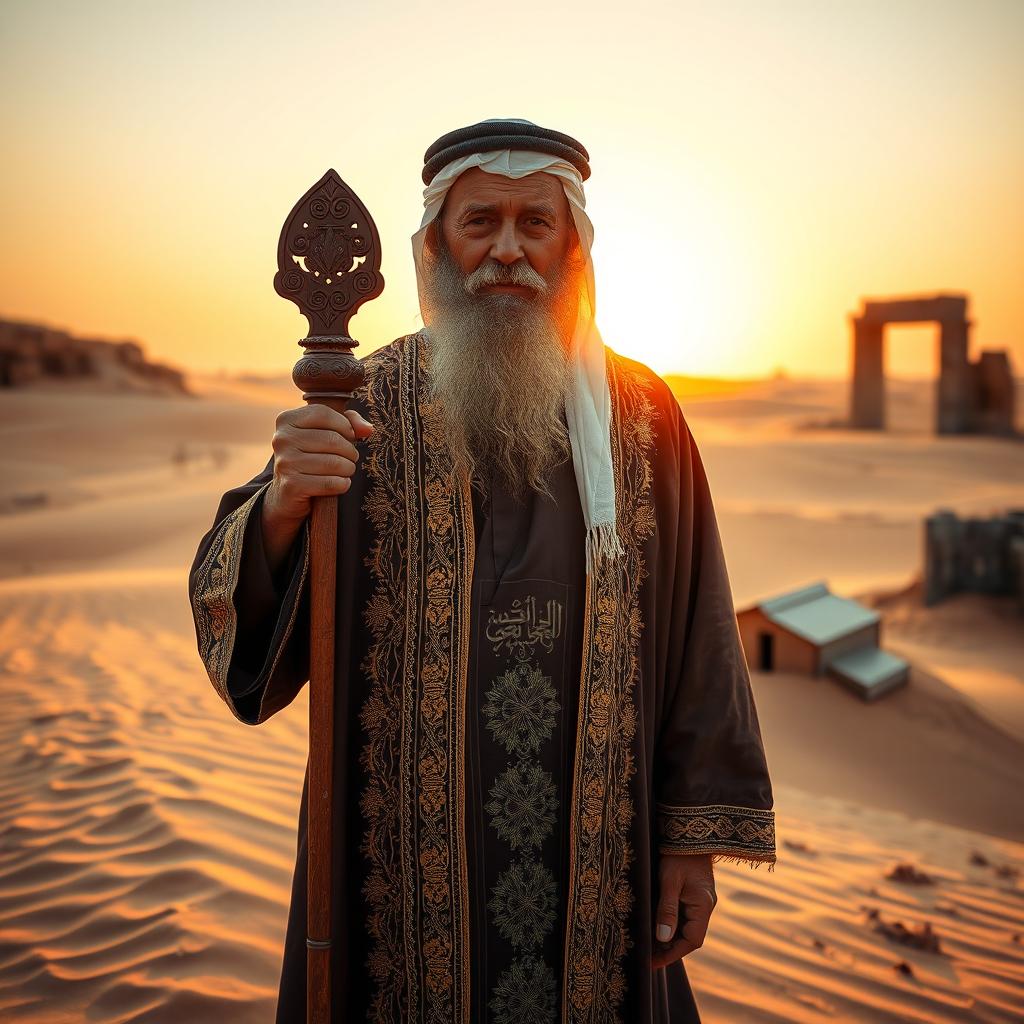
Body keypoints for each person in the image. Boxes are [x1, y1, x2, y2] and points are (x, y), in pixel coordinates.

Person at [188, 118, 775, 1024]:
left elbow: (701, 631)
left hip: (602, 867)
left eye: (534, 223)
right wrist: (280, 509)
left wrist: (691, 841)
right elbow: (248, 638)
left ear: (571, 244)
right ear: (437, 246)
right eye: (481, 223)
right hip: (394, 885)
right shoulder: (356, 406)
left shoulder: (647, 415)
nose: (508, 250)